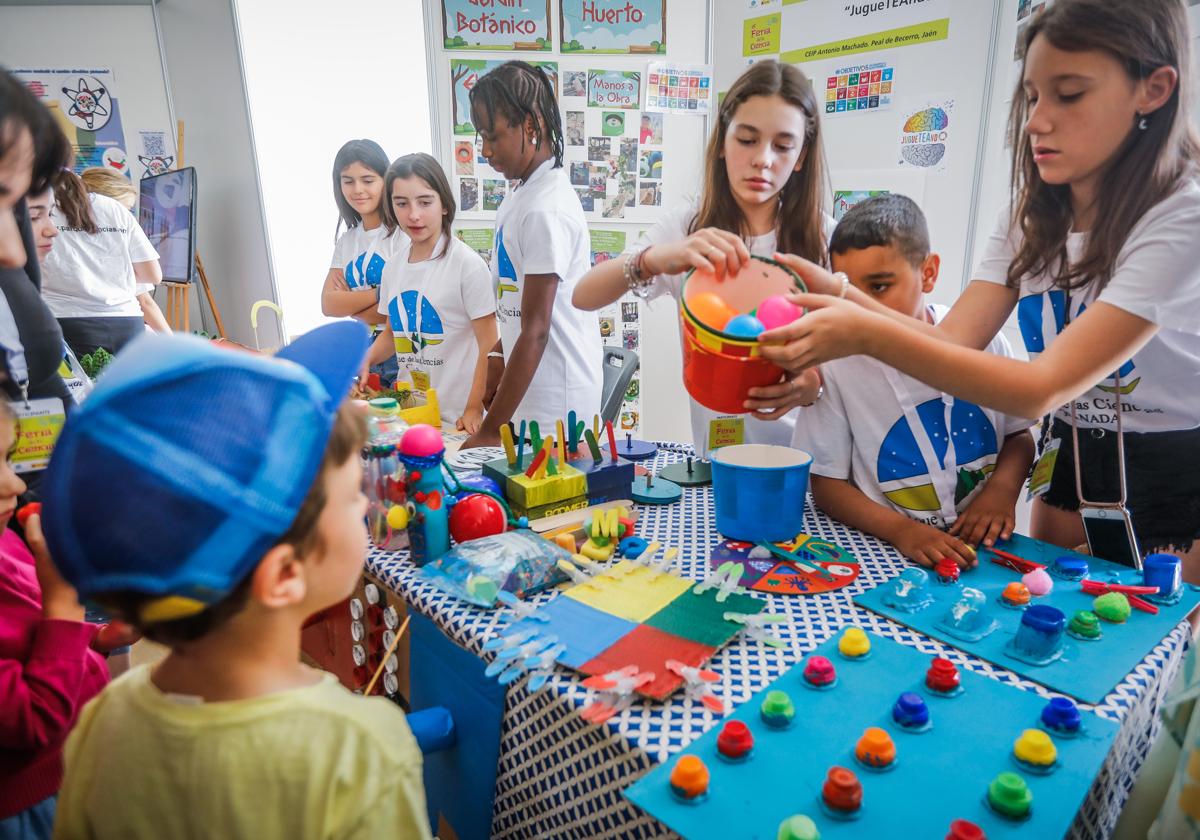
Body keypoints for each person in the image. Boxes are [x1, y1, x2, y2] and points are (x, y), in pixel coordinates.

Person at [759, 0, 1200, 577]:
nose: (1037, 121)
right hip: (1073, 442)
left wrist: (856, 322)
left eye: (1068, 95)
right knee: (1055, 608)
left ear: (1154, 89)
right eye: (1034, 96)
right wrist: (844, 300)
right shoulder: (1030, 215)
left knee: (1156, 639)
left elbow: (1037, 390)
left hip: (1175, 457)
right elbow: (954, 343)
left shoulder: (1180, 217)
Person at [43, 323, 432, 839]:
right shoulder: (359, 750)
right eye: (352, 494)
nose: (366, 503)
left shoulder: (105, 720)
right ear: (285, 575)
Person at [573, 59, 833, 456]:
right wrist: (655, 259)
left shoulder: (824, 238)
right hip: (718, 462)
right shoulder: (687, 229)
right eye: (747, 140)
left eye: (782, 146)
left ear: (801, 157)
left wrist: (814, 384)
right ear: (722, 144)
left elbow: (861, 359)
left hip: (809, 467)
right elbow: (583, 295)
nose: (763, 159)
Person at [792, 195, 1035, 568]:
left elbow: (1019, 435)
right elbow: (826, 485)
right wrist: (903, 532)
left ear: (928, 273)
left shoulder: (987, 341)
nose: (859, 307)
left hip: (983, 548)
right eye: (847, 291)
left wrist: (1001, 492)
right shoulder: (837, 364)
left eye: (878, 288)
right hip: (887, 554)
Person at [463, 60, 602, 446]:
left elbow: (537, 330)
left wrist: (491, 430)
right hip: (530, 399)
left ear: (530, 125)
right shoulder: (520, 193)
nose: (486, 150)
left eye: (493, 135)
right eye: (480, 137)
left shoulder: (546, 209)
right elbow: (514, 299)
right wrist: (495, 354)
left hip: (558, 407)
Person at [0, 399, 109, 840]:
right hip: (31, 805)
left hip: (75, 763)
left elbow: (31, 630)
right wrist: (65, 605)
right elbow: (32, 719)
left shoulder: (6, 544)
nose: (13, 483)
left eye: (7, 457)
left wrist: (93, 638)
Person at [366, 153, 497, 432]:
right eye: (401, 203)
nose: (413, 214)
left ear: (444, 205)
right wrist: (361, 362)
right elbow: (392, 335)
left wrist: (475, 408)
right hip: (409, 415)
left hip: (457, 419)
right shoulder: (393, 267)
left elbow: (489, 345)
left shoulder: (468, 265)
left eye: (425, 202)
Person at [39, 169, 162, 357]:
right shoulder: (116, 209)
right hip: (126, 321)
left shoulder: (47, 210)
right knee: (124, 385)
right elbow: (153, 275)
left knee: (76, 386)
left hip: (65, 320)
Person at [321, 139, 402, 387]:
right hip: (361, 349)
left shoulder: (402, 234)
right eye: (348, 181)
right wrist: (379, 293)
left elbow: (398, 311)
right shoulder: (347, 241)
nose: (357, 189)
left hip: (398, 351)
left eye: (367, 180)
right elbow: (328, 304)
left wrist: (352, 307)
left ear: (385, 180)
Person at [79, 167, 171, 334]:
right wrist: (173, 342)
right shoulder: (121, 235)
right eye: (126, 209)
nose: (130, 216)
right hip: (119, 326)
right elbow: (146, 298)